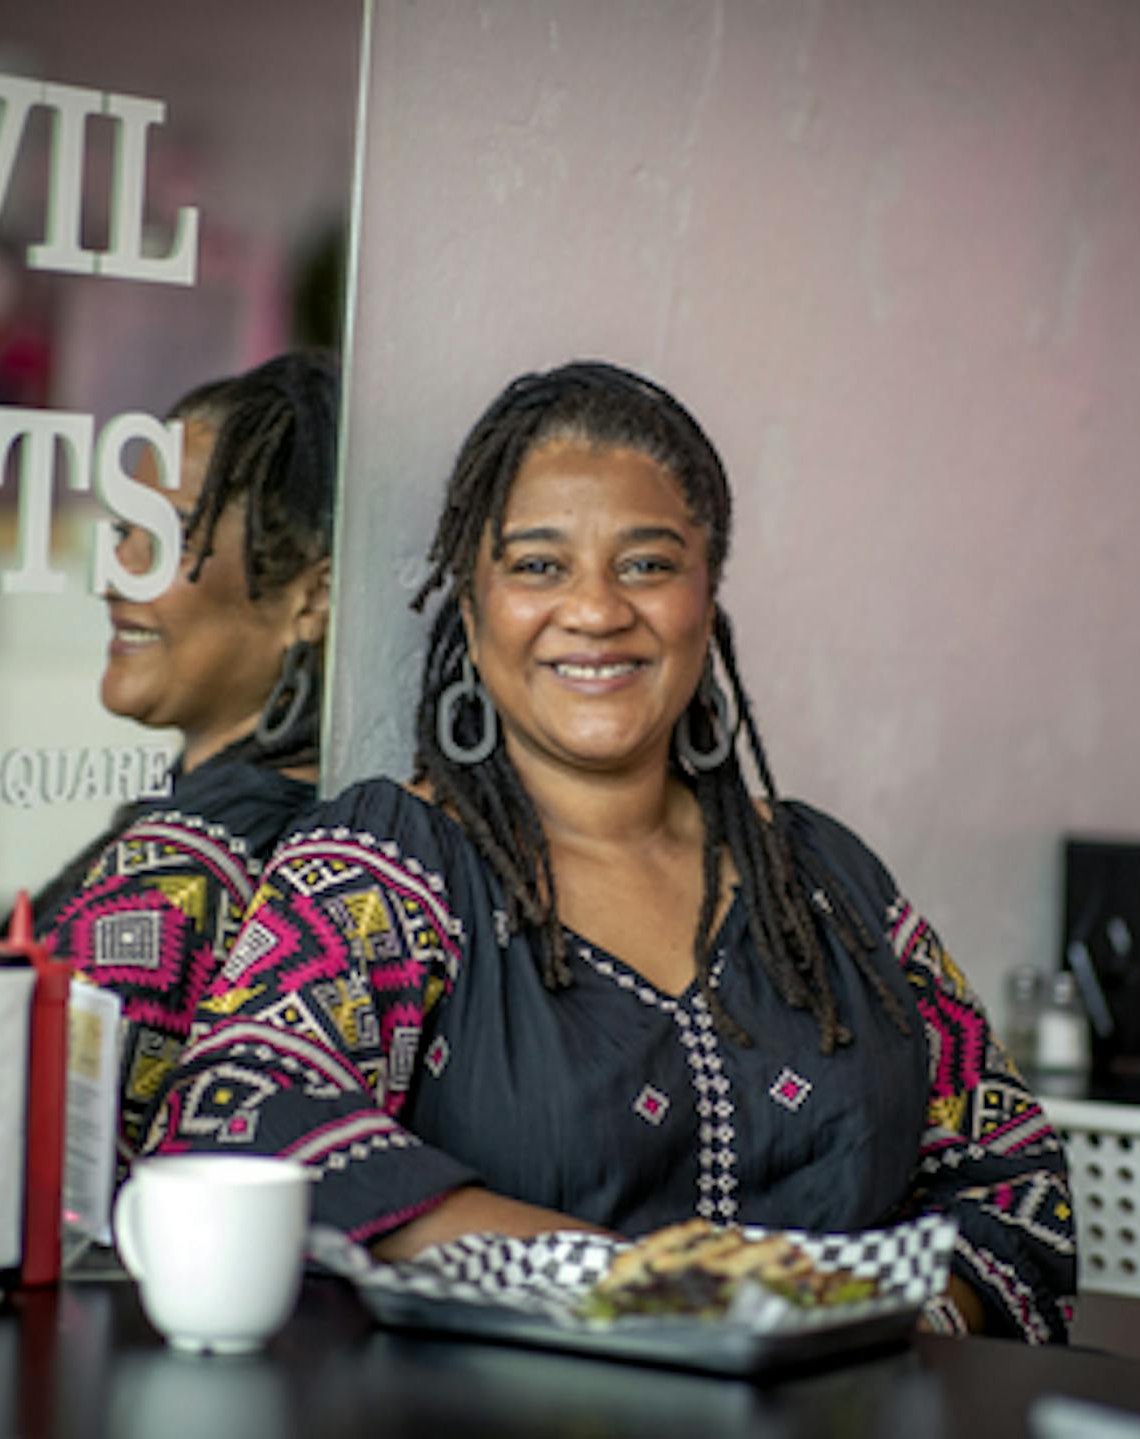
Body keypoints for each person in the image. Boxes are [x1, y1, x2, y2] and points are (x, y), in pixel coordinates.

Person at [145, 361, 1076, 1342]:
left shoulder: (825, 877)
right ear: (471, 605)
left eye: (646, 564)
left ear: (705, 597)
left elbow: (1016, 1181)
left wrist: (871, 1331)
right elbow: (242, 1115)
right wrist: (653, 1290)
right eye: (539, 565)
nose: (596, 609)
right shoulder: (385, 865)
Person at [19, 350, 336, 1148]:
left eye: (163, 537)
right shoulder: (315, 813)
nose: (115, 574)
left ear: (313, 599)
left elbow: (33, 1147)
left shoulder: (179, 877)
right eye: (126, 530)